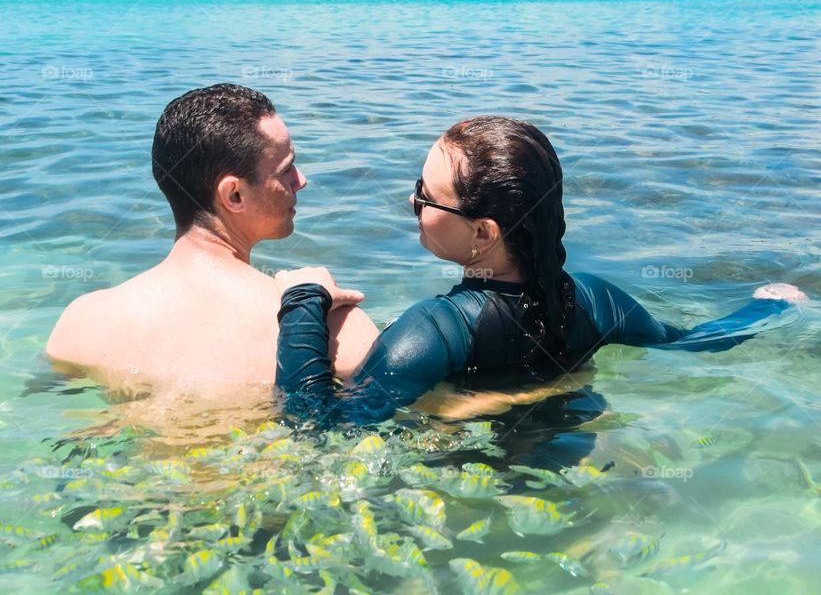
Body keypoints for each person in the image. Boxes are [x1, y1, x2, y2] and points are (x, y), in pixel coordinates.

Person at [275, 115, 806, 428]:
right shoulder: (598, 302)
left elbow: (315, 423)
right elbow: (690, 343)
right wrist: (769, 306)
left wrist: (302, 300)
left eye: (425, 195)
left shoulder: (435, 329)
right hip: (570, 442)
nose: (412, 201)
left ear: (483, 232)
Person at [45, 84, 377, 402]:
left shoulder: (81, 323)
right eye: (285, 169)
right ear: (234, 195)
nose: (301, 180)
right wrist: (308, 304)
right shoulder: (333, 330)